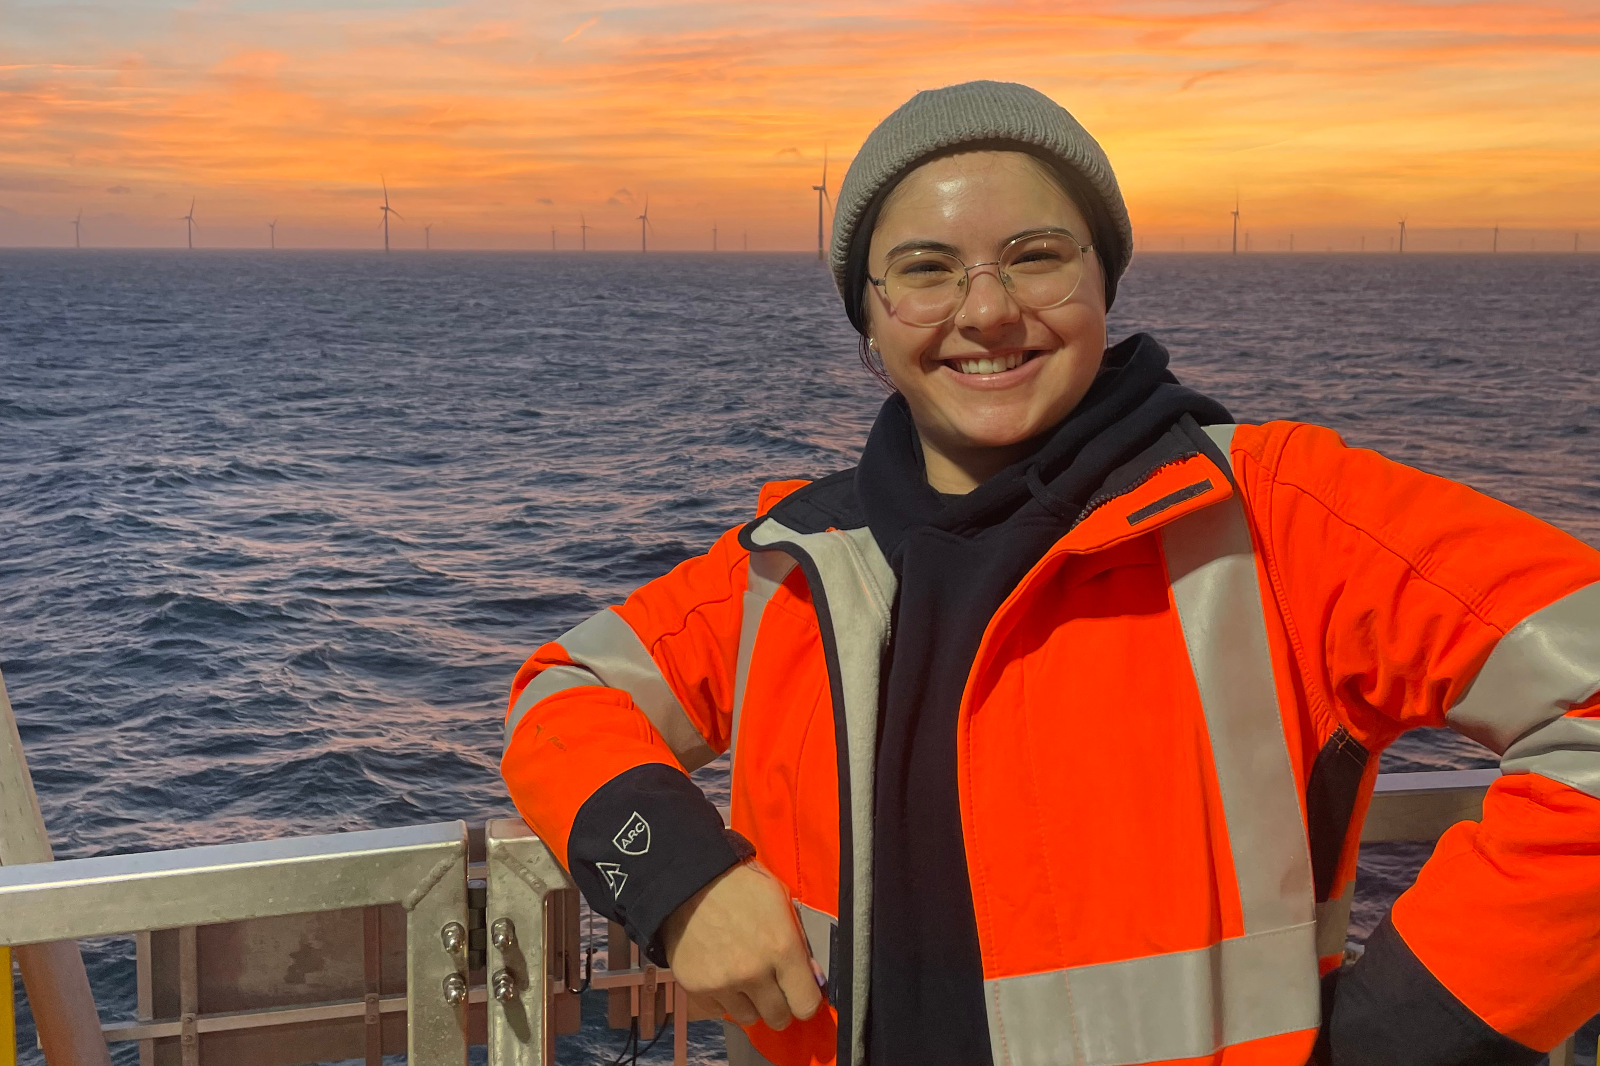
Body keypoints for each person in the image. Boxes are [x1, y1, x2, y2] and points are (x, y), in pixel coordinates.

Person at [500, 80, 1600, 1066]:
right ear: (869, 324)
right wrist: (676, 877)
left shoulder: (1274, 518)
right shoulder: (796, 566)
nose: (986, 310)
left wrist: (1403, 1039)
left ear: (1103, 281)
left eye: (1035, 255)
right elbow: (562, 695)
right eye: (925, 269)